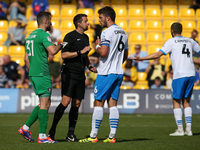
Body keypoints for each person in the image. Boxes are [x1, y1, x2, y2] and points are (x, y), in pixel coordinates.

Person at [130, 22, 200, 136]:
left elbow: (157, 55)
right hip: (191, 74)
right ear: (181, 30)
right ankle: (189, 129)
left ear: (172, 31)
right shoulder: (190, 41)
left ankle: (180, 130)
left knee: (176, 101)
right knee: (186, 101)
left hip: (179, 75)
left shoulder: (171, 42)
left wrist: (141, 58)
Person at [79, 6, 128, 143]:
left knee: (98, 102)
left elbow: (103, 53)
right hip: (118, 72)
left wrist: (97, 46)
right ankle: (112, 136)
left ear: (108, 18)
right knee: (113, 103)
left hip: (106, 72)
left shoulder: (106, 32)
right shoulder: (123, 32)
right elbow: (126, 54)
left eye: (100, 18)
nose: (99, 20)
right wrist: (117, 62)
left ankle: (93, 136)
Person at [48, 14, 97, 142]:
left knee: (77, 103)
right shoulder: (70, 36)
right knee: (65, 102)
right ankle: (52, 131)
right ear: (79, 24)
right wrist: (80, 52)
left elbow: (85, 56)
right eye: (86, 21)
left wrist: (89, 65)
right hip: (69, 73)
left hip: (81, 74)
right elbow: (63, 54)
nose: (88, 23)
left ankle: (70, 134)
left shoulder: (86, 37)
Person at [18, 11, 63, 143]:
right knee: (45, 104)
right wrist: (61, 44)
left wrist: (32, 71)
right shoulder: (44, 34)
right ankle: (42, 136)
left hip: (33, 73)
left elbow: (26, 58)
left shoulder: (30, 35)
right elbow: (53, 51)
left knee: (45, 103)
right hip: (42, 72)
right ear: (46, 21)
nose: (51, 23)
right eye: (50, 21)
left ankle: (25, 128)